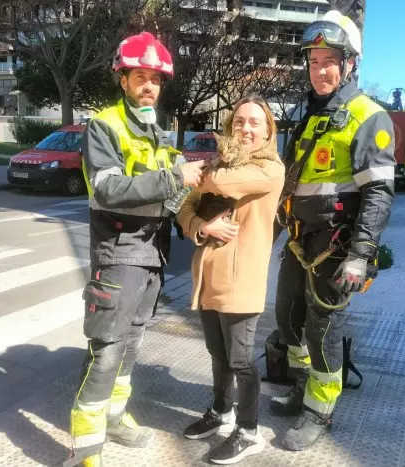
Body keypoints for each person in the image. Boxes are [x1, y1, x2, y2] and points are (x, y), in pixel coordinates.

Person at [67, 32, 206, 467]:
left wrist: (204, 215)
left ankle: (114, 417)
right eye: (140, 77)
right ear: (123, 79)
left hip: (152, 254)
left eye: (156, 80)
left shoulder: (159, 133)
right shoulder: (104, 125)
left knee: (132, 343)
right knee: (107, 348)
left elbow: (171, 199)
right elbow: (107, 190)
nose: (149, 86)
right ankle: (87, 450)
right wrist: (177, 178)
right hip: (118, 252)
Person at [270, 10, 396, 451]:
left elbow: (379, 193)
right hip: (300, 239)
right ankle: (302, 385)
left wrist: (360, 254)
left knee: (323, 327)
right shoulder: (311, 113)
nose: (318, 70)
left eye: (329, 61)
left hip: (337, 245)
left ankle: (319, 410)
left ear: (349, 64)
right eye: (313, 61)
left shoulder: (367, 116)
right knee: (287, 316)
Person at [176, 95, 285, 464]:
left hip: (242, 279)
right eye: (239, 122)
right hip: (207, 275)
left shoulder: (271, 168)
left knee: (241, 360)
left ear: (268, 129)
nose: (246, 128)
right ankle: (220, 412)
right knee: (217, 353)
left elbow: (226, 182)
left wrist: (202, 175)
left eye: (255, 122)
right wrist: (202, 227)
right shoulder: (217, 164)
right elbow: (185, 208)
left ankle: (249, 429)